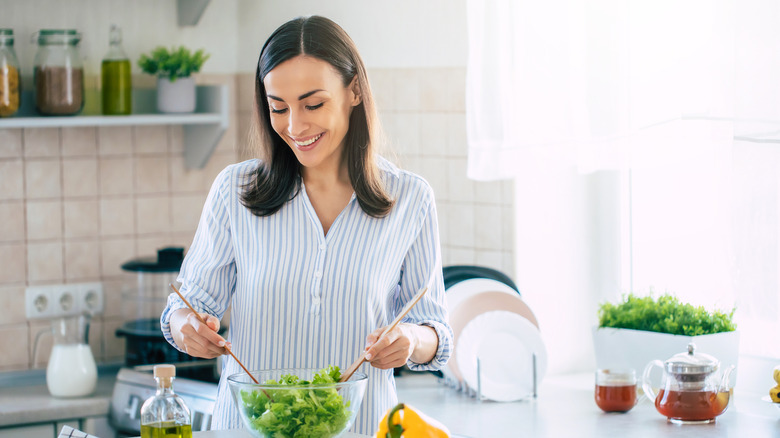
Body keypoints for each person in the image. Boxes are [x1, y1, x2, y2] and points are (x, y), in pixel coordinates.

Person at [160, 15, 452, 435]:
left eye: (313, 104)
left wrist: (411, 340)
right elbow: (183, 308)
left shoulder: (410, 199)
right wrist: (187, 328)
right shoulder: (234, 191)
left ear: (354, 91)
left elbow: (437, 333)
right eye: (279, 108)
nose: (295, 127)